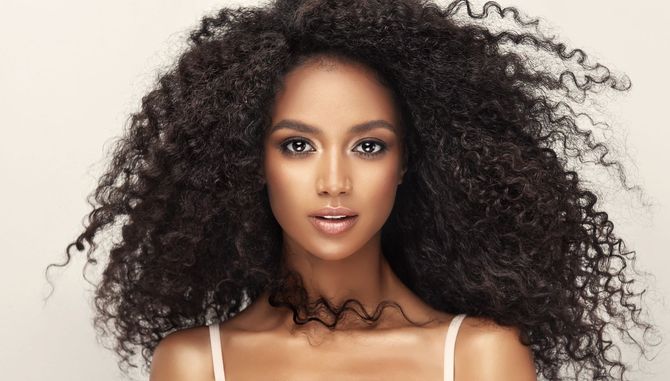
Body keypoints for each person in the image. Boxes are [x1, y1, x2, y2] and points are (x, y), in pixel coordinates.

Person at [45, 0, 659, 380]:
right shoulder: (196, 366)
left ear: (407, 164)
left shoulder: (479, 360)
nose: (334, 182)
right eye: (297, 145)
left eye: (368, 146)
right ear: (249, 163)